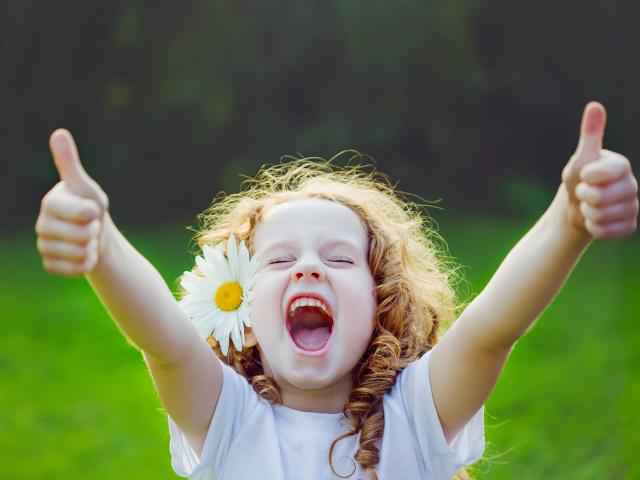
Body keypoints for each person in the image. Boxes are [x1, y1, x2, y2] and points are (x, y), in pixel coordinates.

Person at [35, 102, 638, 480]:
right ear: (241, 309)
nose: (307, 269)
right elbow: (164, 339)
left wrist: (569, 221)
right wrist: (102, 245)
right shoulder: (230, 422)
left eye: (340, 257)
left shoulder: (416, 417)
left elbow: (492, 329)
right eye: (278, 259)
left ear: (382, 303)